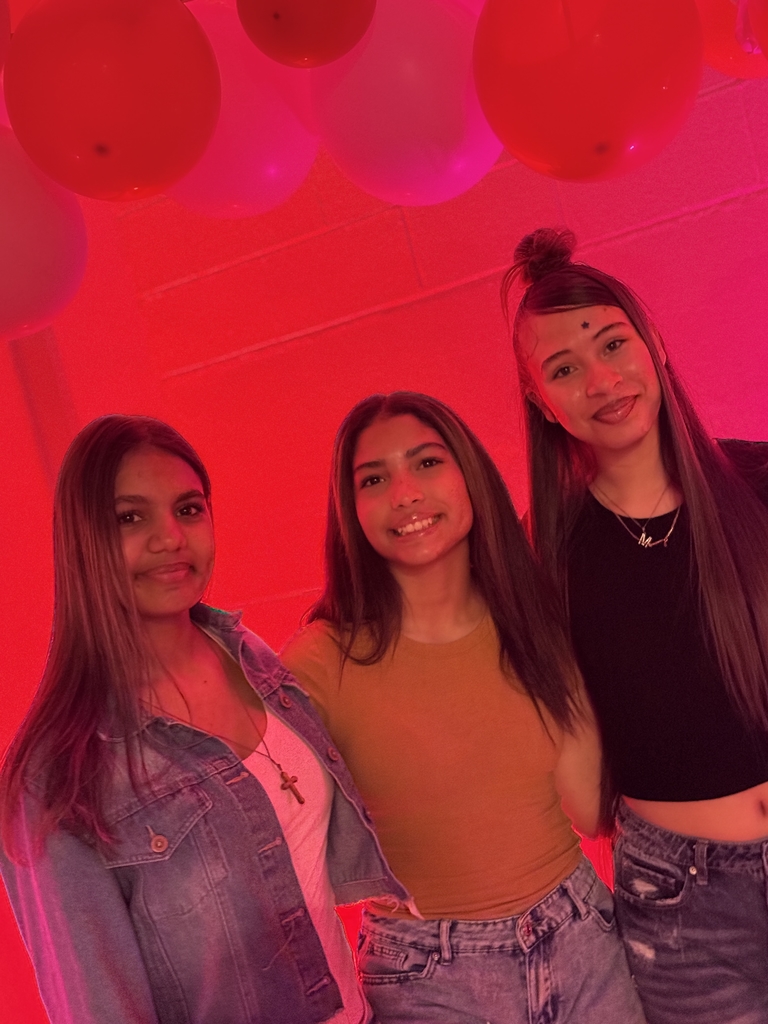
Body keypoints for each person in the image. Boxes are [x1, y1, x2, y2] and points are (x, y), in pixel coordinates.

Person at [0, 414, 411, 1024]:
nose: (170, 538)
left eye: (188, 510)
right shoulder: (54, 774)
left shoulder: (248, 654)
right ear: (82, 541)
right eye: (130, 518)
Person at [281, 391, 646, 1024]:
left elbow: (591, 810)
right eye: (374, 479)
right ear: (351, 509)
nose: (405, 493)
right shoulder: (319, 662)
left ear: (470, 475)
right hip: (428, 977)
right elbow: (277, 860)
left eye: (426, 463)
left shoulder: (535, 620)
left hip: (581, 939)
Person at [504, 227, 768, 1024]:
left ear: (651, 343)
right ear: (540, 402)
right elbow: (586, 801)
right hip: (682, 908)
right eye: (563, 369)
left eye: (613, 344)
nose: (601, 379)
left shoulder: (759, 479)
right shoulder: (545, 558)